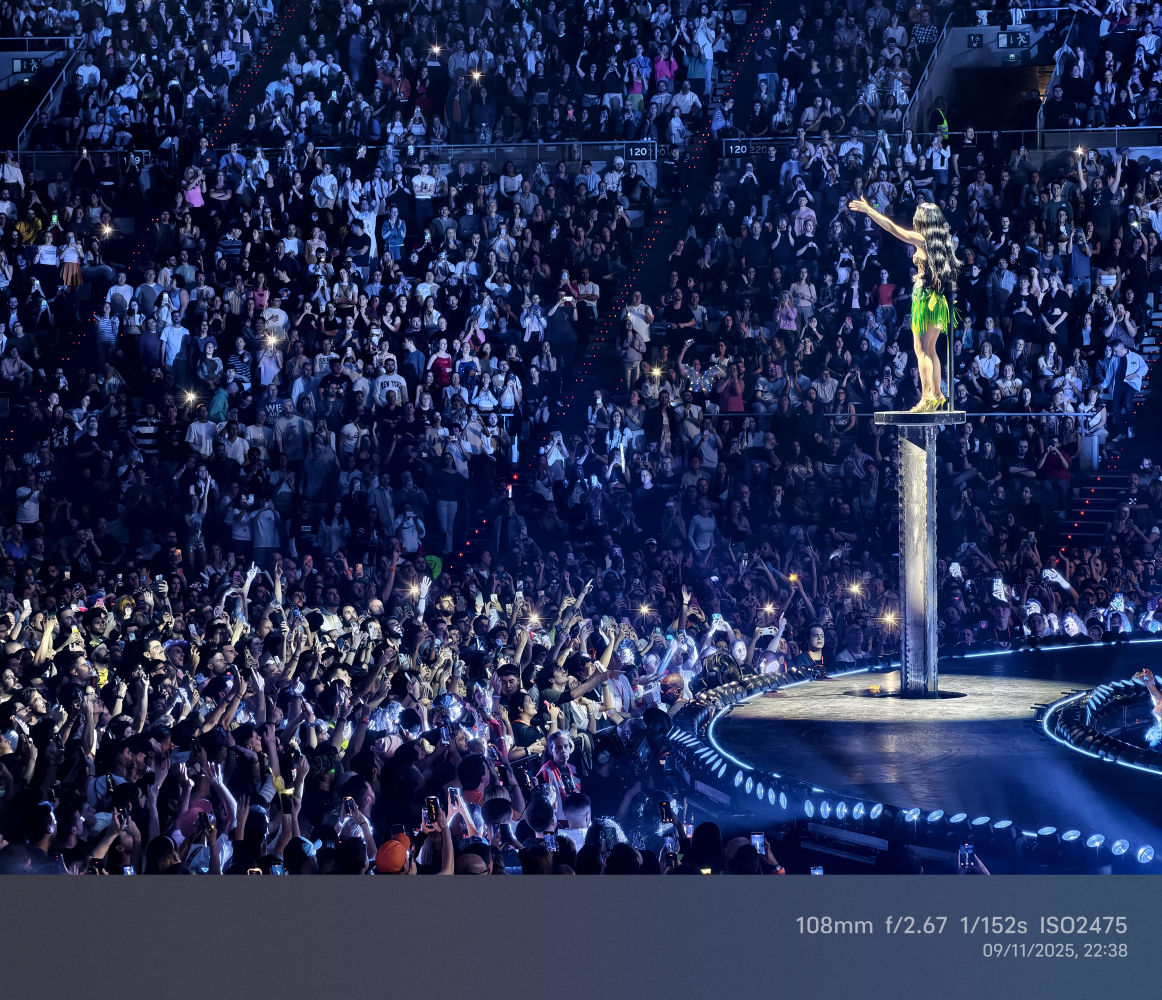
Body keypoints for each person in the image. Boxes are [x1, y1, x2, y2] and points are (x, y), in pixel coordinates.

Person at [850, 197, 958, 411]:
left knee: (922, 350)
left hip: (926, 298)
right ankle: (936, 392)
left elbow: (892, 228)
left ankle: (928, 397)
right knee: (931, 349)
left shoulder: (922, 238)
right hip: (937, 299)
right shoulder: (942, 241)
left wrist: (869, 211)